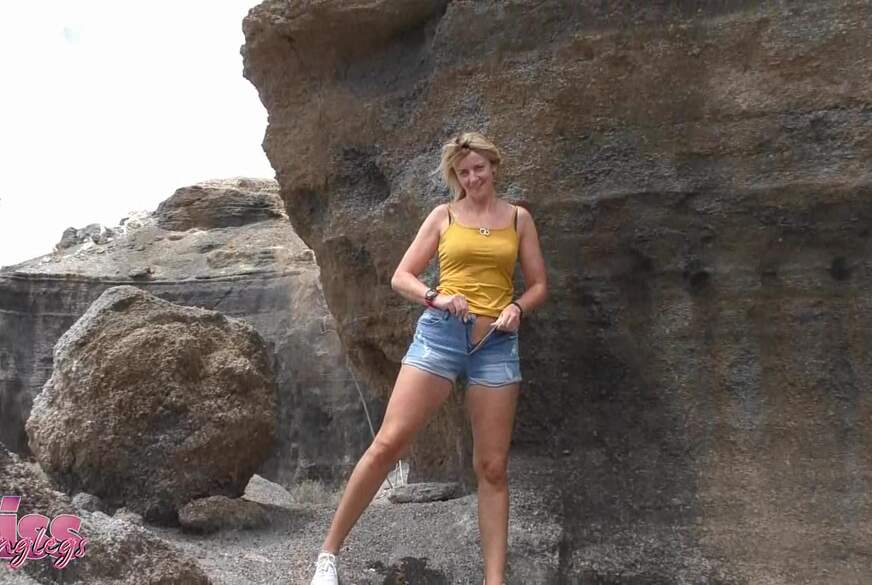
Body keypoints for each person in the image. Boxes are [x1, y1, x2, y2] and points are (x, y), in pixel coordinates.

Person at [309, 131, 548, 585]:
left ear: (494, 167)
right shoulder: (444, 216)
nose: (473, 178)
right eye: (464, 172)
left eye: (479, 168)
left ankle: (494, 581)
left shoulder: (519, 219)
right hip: (441, 336)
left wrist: (518, 307)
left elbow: (538, 285)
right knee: (388, 443)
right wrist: (436, 297)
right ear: (456, 177)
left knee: (493, 467)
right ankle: (327, 556)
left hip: (496, 343)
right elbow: (402, 276)